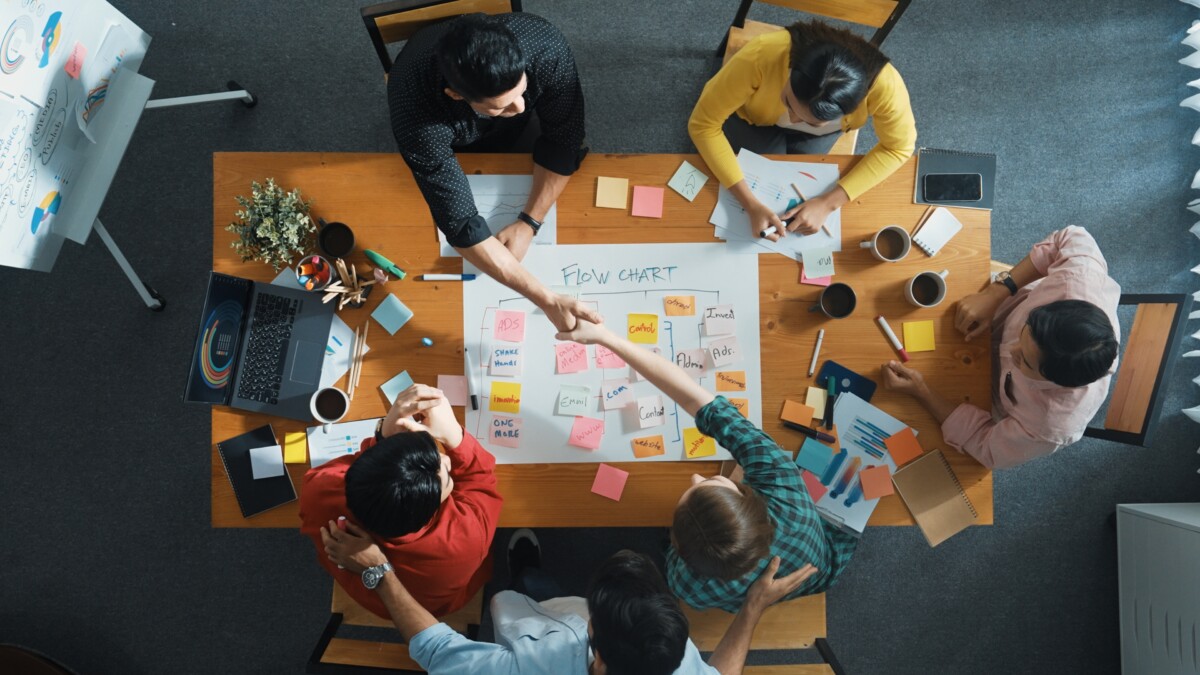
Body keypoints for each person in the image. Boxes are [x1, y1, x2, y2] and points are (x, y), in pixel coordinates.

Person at [554, 320, 856, 613]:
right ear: (747, 498)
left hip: (796, 569)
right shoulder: (783, 483)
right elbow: (694, 398)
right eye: (713, 483)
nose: (697, 476)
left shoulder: (686, 586)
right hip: (822, 565)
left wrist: (606, 338)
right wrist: (609, 338)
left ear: (676, 547)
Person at [321, 523, 817, 675]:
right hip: (564, 623)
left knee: (528, 592)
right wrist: (753, 606)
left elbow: (436, 651)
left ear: (596, 642)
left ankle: (526, 579)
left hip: (533, 624)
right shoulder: (674, 663)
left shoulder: (528, 667)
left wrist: (378, 569)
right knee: (547, 593)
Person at [388, 12, 597, 331]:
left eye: (521, 89)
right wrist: (547, 298)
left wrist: (529, 222)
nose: (522, 109)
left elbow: (565, 138)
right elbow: (461, 225)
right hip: (454, 133)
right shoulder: (415, 113)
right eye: (502, 106)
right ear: (456, 95)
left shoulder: (546, 46)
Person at [881, 226, 1121, 469]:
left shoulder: (1051, 422)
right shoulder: (1080, 280)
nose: (1012, 349)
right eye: (1026, 329)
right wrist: (998, 292)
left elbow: (986, 446)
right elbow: (1070, 236)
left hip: (989, 394)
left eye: (1024, 361)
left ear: (1056, 384)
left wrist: (922, 391)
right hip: (998, 307)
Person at [689, 20, 917, 241]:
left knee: (798, 181)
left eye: (811, 121)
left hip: (818, 138)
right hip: (753, 120)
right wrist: (750, 203)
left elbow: (899, 148)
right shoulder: (763, 54)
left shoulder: (886, 88)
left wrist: (829, 202)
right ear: (791, 70)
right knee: (764, 172)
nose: (792, 119)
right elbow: (703, 124)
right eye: (788, 102)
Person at [299, 384, 502, 619]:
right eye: (446, 477)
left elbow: (352, 469)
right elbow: (480, 478)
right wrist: (454, 435)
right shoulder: (467, 539)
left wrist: (382, 436)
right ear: (431, 509)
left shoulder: (318, 492)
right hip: (433, 606)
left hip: (368, 593)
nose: (447, 462)